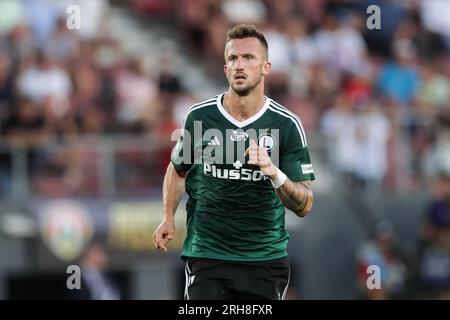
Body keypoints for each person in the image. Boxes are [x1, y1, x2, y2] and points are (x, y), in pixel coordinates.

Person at [153, 24, 315, 300]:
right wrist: (167, 217)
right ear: (226, 69)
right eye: (232, 59)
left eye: (248, 57)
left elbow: (305, 205)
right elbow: (177, 169)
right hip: (208, 256)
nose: (239, 65)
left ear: (266, 67)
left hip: (264, 260)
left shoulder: (286, 124)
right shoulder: (200, 117)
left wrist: (274, 173)